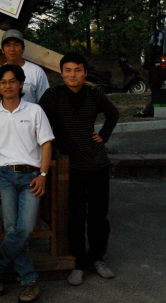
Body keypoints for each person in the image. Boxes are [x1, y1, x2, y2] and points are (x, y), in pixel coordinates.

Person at [38, 52, 119, 286]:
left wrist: (103, 135)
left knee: (98, 215)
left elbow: (113, 114)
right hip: (70, 165)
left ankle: (97, 258)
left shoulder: (94, 94)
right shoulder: (53, 95)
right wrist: (51, 144)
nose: (72, 75)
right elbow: (38, 120)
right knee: (75, 215)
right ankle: (79, 263)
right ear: (61, 73)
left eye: (77, 70)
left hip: (97, 163)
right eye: (68, 70)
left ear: (85, 72)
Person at [0, 64, 54, 303]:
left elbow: (46, 144)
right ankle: (29, 281)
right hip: (4, 176)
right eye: (2, 82)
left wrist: (43, 175)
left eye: (12, 81)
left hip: (31, 176)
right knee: (12, 229)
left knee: (25, 228)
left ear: (21, 84)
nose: (7, 86)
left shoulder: (35, 110)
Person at [0, 29, 49, 104]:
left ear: (23, 48)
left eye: (16, 45)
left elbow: (46, 102)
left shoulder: (36, 72)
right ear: (2, 49)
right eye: (8, 45)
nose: (12, 49)